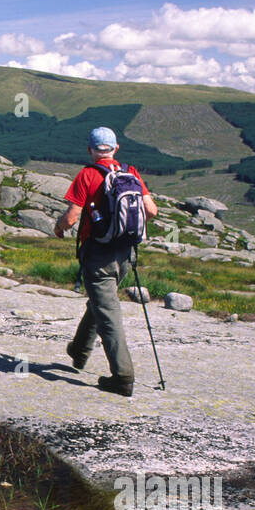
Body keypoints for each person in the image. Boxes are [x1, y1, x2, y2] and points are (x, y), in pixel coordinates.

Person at [52, 127, 158, 397]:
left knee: (108, 311)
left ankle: (122, 376)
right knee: (102, 301)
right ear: (116, 148)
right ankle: (80, 350)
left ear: (90, 150)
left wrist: (59, 227)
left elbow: (72, 217)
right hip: (125, 255)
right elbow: (152, 210)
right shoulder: (130, 173)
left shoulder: (87, 174)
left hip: (97, 255)